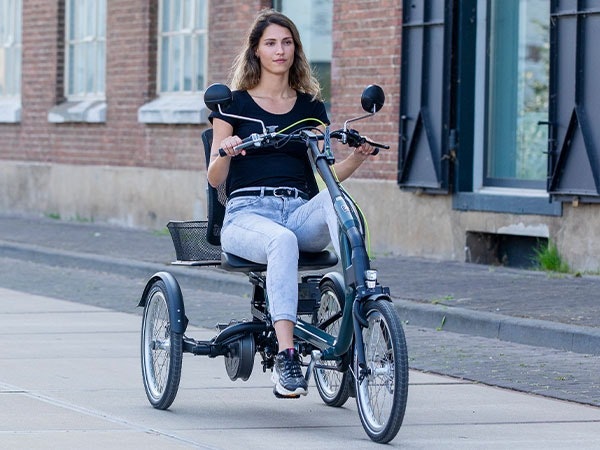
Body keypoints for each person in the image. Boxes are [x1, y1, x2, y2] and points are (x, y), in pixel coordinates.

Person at [207, 9, 374, 398]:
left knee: (338, 204)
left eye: (287, 42)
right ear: (256, 51)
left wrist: (357, 158)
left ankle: (364, 287)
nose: (279, 50)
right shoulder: (231, 105)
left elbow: (324, 176)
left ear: (295, 49)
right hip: (248, 214)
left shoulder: (311, 108)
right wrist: (227, 152)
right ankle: (286, 357)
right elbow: (214, 178)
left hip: (298, 210)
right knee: (280, 241)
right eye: (270, 43)